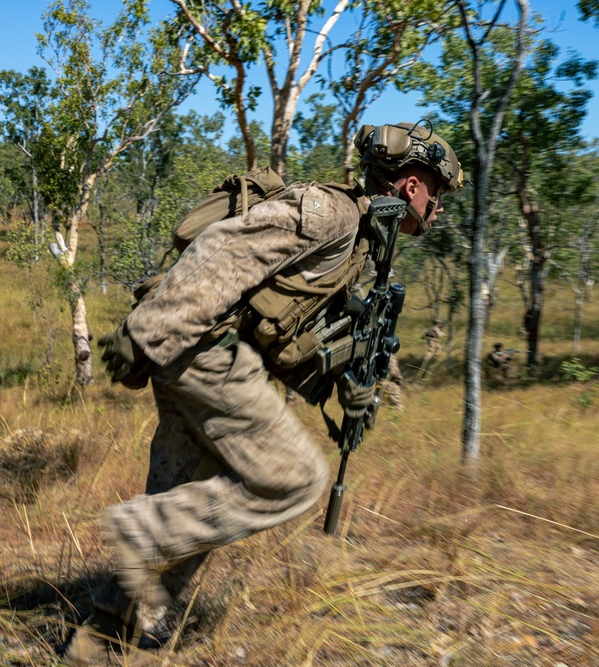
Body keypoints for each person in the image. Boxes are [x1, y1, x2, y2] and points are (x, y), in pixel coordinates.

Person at [61, 123, 460, 665]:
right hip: (206, 352)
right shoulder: (332, 213)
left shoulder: (361, 245)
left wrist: (343, 384)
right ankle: (139, 531)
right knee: (293, 480)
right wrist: (152, 327)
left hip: (206, 355)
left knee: (193, 501)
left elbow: (283, 327)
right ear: (413, 185)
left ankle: (101, 639)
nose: (437, 210)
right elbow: (226, 249)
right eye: (437, 196)